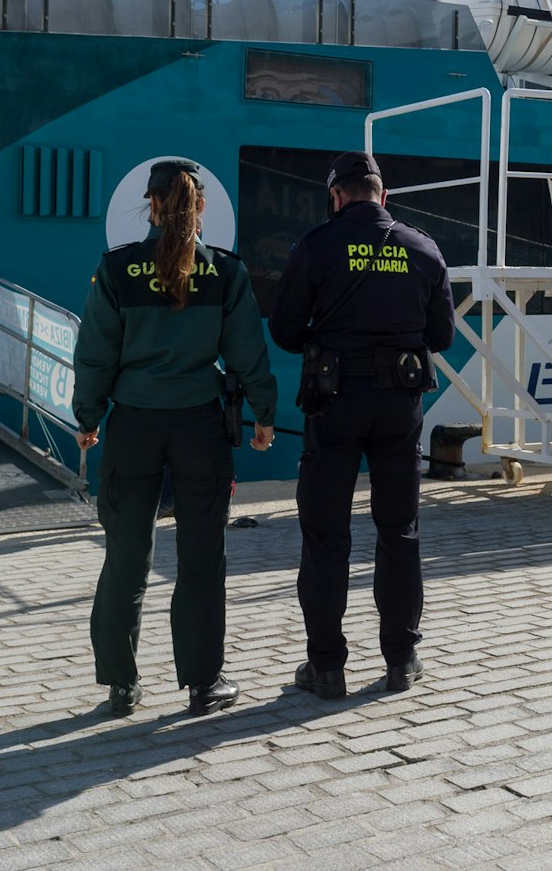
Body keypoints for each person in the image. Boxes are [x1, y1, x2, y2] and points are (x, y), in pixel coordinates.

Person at [73, 160, 278, 718]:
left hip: (134, 425)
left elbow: (94, 352)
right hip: (199, 428)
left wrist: (87, 416)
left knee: (126, 557)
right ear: (201, 207)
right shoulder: (225, 271)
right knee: (200, 559)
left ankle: (120, 684)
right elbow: (246, 352)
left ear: (152, 205)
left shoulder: (115, 270)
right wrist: (264, 414)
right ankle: (203, 683)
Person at [269, 150, 453, 698]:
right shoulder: (422, 247)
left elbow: (282, 328)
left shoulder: (317, 244)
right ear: (382, 194)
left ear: (336, 195)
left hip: (334, 402)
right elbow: (440, 337)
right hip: (399, 406)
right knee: (399, 531)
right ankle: (401, 660)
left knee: (326, 536)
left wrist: (327, 344)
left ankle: (326, 668)